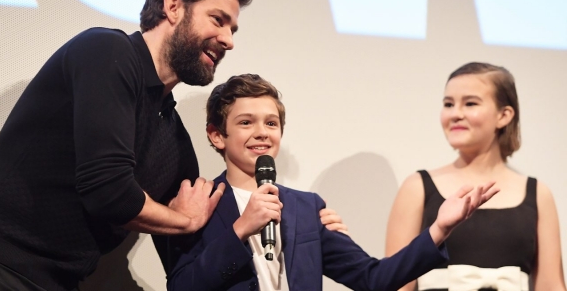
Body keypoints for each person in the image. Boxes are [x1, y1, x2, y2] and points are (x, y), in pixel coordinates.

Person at [0, 0, 250, 291]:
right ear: (173, 7)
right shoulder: (107, 52)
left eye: (232, 29)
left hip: (59, 282)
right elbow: (108, 192)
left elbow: (188, 266)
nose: (228, 40)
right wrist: (184, 220)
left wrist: (250, 230)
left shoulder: (172, 134)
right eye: (218, 20)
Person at [164, 73, 499, 291]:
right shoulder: (199, 202)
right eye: (246, 122)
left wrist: (440, 228)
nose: (262, 133)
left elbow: (374, 279)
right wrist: (240, 230)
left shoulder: (306, 208)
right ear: (217, 134)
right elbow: (182, 287)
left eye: (271, 123)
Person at [385, 62, 566, 290]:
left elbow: (551, 285)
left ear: (504, 115)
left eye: (470, 103)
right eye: (448, 104)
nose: (456, 114)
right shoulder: (417, 187)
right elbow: (395, 282)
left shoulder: (538, 194)